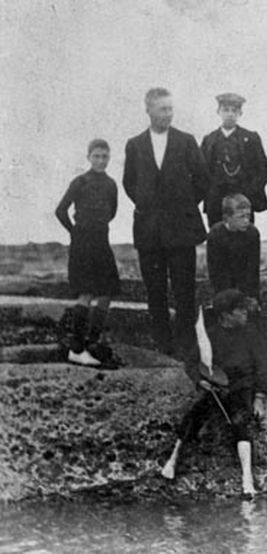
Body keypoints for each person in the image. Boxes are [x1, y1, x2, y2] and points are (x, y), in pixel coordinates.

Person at [123, 87, 209, 360]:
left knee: (185, 289)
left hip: (181, 229)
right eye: (162, 109)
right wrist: (151, 207)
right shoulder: (135, 145)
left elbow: (202, 180)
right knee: (155, 289)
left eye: (171, 109)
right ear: (148, 110)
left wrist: (181, 206)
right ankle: (163, 344)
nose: (168, 114)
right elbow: (130, 183)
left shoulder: (186, 141)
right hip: (149, 230)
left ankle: (186, 344)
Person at [160, 289, 267, 496]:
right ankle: (172, 461)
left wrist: (260, 397)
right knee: (195, 415)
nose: (245, 312)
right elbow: (192, 363)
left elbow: (263, 366)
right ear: (226, 315)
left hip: (241, 386)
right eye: (239, 309)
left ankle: (247, 479)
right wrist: (201, 381)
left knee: (240, 422)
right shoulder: (210, 335)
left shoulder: (251, 334)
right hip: (217, 386)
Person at [55, 138, 121, 367]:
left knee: (106, 293)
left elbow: (111, 211)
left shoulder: (111, 184)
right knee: (86, 293)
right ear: (89, 157)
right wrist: (75, 232)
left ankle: (92, 343)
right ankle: (76, 348)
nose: (101, 160)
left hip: (101, 240)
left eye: (105, 156)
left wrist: (96, 226)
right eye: (96, 156)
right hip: (82, 242)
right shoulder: (80, 182)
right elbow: (60, 210)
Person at [200, 93, 267, 227]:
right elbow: (201, 173)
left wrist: (248, 195)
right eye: (226, 110)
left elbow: (263, 172)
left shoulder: (251, 138)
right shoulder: (209, 140)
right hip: (216, 201)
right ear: (218, 112)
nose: (230, 114)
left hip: (243, 199)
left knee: (244, 237)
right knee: (217, 237)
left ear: (240, 113)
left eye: (234, 110)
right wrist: (211, 193)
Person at [207, 194, 261, 301]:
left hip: (245, 280)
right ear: (227, 218)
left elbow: (253, 269)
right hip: (223, 285)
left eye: (248, 216)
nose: (246, 221)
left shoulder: (252, 233)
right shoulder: (216, 234)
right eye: (241, 216)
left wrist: (250, 296)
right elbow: (216, 271)